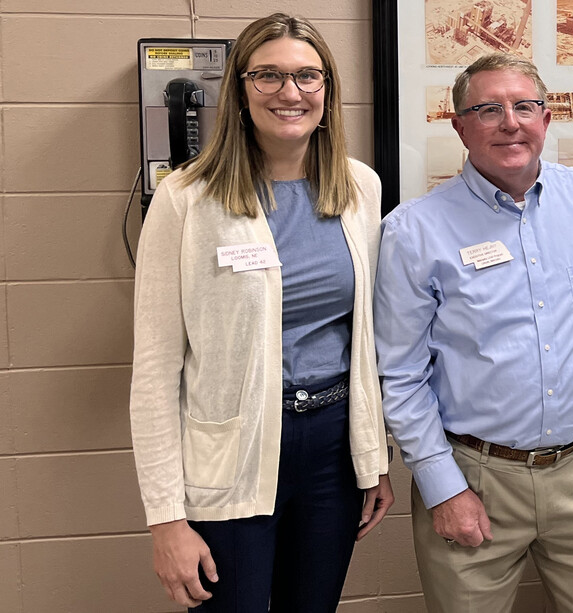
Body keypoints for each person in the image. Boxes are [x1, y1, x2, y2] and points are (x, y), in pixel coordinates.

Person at [129, 13, 393, 612]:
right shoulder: (185, 201)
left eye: (307, 76)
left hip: (332, 450)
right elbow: (154, 374)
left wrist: (372, 456)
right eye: (267, 76)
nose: (290, 93)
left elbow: (366, 340)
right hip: (236, 450)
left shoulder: (360, 189)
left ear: (328, 90)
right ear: (240, 91)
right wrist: (166, 519)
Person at [374, 53, 573, 612]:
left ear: (546, 119)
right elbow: (399, 374)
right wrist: (441, 486)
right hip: (475, 477)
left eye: (525, 106)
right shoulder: (414, 231)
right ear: (459, 126)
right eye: (488, 109)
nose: (510, 122)